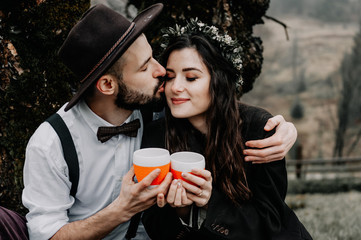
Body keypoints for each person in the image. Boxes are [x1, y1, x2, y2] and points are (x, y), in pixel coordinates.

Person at [0, 4, 296, 240]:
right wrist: (122, 210)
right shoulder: (50, 143)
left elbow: (213, 104)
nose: (161, 72)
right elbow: (47, 236)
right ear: (107, 85)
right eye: (145, 67)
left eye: (155, 58)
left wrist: (283, 129)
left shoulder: (158, 111)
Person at [141, 19, 312, 239]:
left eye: (191, 77)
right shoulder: (157, 135)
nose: (176, 87)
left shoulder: (258, 129)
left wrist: (210, 202)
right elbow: (154, 223)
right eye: (171, 77)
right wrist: (181, 212)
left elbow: (272, 219)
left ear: (219, 81)